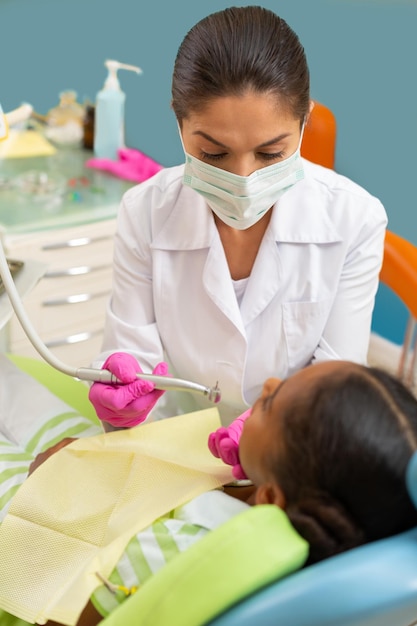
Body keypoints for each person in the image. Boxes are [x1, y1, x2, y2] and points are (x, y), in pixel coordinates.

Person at [89, 6, 387, 429]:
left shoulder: (355, 219)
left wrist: (265, 438)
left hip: (289, 450)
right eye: (213, 154)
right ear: (178, 124)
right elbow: (130, 361)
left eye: (270, 154)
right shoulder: (145, 212)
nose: (244, 178)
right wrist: (122, 397)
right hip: (174, 443)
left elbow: (334, 388)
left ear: (303, 122)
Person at [27, 359, 417, 626]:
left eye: (269, 403)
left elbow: (55, 603)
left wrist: (49, 484)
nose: (269, 383)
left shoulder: (183, 549)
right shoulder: (266, 500)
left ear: (271, 498)